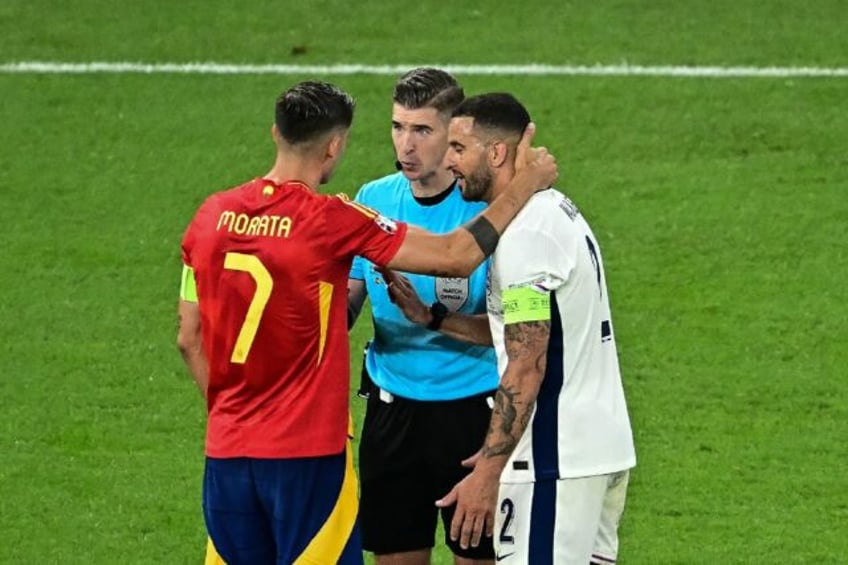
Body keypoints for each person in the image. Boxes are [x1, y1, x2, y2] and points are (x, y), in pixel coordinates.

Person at [176, 81, 557, 565]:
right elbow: (455, 256)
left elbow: (189, 337)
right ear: (335, 146)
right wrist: (526, 183)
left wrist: (233, 414)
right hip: (306, 452)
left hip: (227, 451)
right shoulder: (333, 218)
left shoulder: (210, 216)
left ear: (277, 133)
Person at [383, 93, 636, 565]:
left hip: (553, 462)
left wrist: (490, 470)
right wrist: (435, 318)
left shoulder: (526, 237)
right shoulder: (555, 209)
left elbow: (526, 363)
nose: (448, 160)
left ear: (496, 153)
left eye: (459, 148)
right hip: (595, 452)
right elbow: (523, 332)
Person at [347, 68, 497, 565]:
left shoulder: (484, 209)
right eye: (397, 127)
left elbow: (511, 333)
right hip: (392, 416)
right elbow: (348, 301)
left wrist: (433, 319)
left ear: (453, 134)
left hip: (473, 413)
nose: (406, 145)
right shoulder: (374, 200)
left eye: (422, 131)